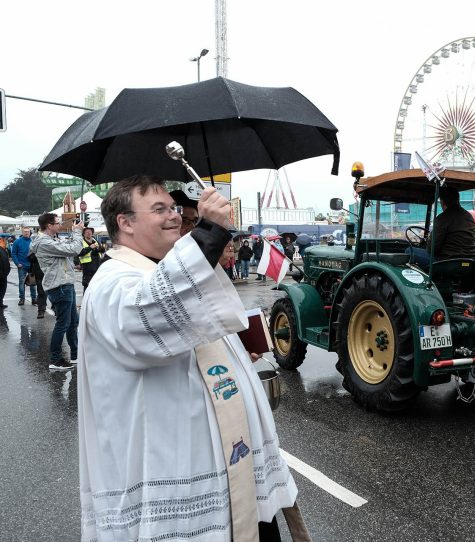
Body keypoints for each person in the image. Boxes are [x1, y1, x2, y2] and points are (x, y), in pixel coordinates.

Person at [78, 175, 298, 541]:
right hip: (178, 471)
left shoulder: (158, 269)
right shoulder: (113, 280)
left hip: (227, 463)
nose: (175, 217)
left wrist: (236, 352)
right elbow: (148, 320)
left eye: (175, 208)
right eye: (160, 209)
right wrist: (210, 230)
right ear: (125, 222)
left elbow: (187, 326)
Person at [31, 214, 84, 370]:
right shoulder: (44, 242)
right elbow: (74, 249)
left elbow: (68, 248)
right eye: (57, 222)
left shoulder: (51, 240)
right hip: (59, 286)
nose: (60, 224)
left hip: (65, 283)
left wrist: (74, 234)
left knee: (73, 321)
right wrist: (77, 232)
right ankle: (55, 359)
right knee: (63, 323)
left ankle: (75, 355)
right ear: (49, 225)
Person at [407, 186, 475, 267]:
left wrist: (428, 241)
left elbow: (432, 249)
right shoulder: (469, 217)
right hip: (469, 261)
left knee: (409, 250)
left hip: (446, 262)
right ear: (458, 200)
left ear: (442, 202)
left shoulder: (443, 218)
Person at [11, 227, 37, 306]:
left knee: (32, 283)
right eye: (25, 232)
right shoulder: (17, 242)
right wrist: (17, 263)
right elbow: (14, 253)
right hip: (22, 266)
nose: (26, 233)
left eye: (28, 232)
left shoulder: (33, 241)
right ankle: (22, 298)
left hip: (31, 266)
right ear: (22, 233)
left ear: (30, 232)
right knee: (21, 283)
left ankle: (34, 299)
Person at [77, 227, 105, 293]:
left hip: (97, 265)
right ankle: (86, 302)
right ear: (83, 234)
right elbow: (79, 253)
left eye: (90, 232)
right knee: (87, 285)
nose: (89, 233)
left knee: (98, 285)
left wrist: (99, 248)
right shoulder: (81, 242)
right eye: (87, 232)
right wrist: (90, 248)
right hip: (87, 267)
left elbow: (102, 250)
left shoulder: (95, 241)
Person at [0, 242, 9, 309]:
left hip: (4, 274)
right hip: (2, 273)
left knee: (3, 288)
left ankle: (0, 302)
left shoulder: (2, 249)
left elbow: (6, 260)